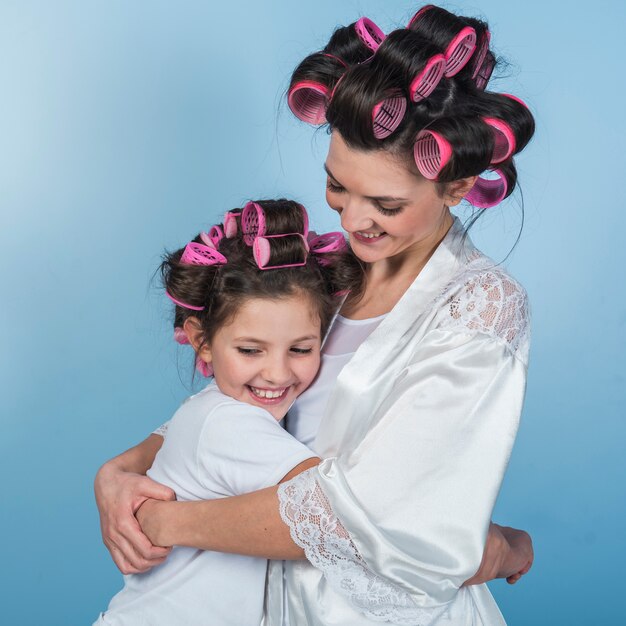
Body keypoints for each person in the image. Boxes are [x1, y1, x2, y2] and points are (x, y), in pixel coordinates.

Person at [95, 5, 535, 625]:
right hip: (266, 602)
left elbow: (388, 523)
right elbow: (239, 417)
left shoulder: (479, 306)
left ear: (456, 188)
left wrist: (166, 521)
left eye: (384, 202)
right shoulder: (325, 275)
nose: (353, 221)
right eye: (337, 187)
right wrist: (119, 472)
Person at [94, 199, 362, 625]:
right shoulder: (231, 423)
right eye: (250, 350)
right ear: (201, 341)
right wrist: (489, 549)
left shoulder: (204, 410)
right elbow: (343, 518)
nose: (276, 373)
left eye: (301, 349)